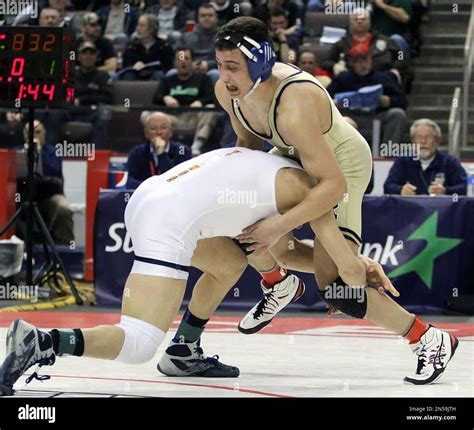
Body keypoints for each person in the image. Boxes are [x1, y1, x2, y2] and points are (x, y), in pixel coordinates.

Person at [159, 16, 456, 384]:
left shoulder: (295, 101)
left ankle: (429, 339)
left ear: (260, 63)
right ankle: (278, 281)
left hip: (342, 169)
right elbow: (248, 148)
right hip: (295, 158)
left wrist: (286, 229)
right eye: (220, 65)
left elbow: (330, 186)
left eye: (233, 66)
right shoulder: (228, 93)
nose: (225, 76)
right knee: (251, 233)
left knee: (338, 286)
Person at [0, 147, 397, 392]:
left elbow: (287, 251)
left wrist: (344, 265)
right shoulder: (306, 189)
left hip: (152, 196)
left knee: (228, 262)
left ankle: (184, 350)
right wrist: (358, 269)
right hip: (170, 218)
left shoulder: (264, 165)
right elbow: (335, 265)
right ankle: (43, 341)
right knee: (138, 342)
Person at [327, 46, 407, 145]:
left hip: (375, 116)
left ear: (371, 61)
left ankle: (387, 154)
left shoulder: (383, 78)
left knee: (397, 114)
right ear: (352, 63)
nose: (362, 64)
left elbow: (402, 100)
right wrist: (334, 102)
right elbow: (325, 98)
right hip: (349, 117)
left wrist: (389, 101)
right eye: (358, 61)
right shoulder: (342, 78)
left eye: (365, 60)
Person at [17, 121, 74, 246]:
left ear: (44, 134)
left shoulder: (54, 152)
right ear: (24, 135)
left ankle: (64, 248)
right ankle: (15, 247)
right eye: (29, 133)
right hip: (22, 196)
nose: (33, 136)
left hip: (49, 195)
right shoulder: (16, 152)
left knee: (63, 208)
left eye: (37, 132)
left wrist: (39, 153)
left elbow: (53, 172)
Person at [152, 46, 218, 155]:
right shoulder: (167, 80)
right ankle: (161, 146)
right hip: (173, 119)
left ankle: (196, 146)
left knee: (210, 109)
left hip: (194, 117)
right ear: (174, 63)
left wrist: (200, 102)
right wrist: (165, 98)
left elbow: (212, 97)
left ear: (192, 62)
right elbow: (155, 99)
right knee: (146, 114)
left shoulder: (202, 78)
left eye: (187, 58)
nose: (183, 62)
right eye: (179, 59)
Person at [384, 118, 467, 196]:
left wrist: (445, 191)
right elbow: (387, 187)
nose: (423, 141)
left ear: (437, 141)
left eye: (428, 137)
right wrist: (400, 190)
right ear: (413, 141)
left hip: (441, 209)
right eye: (419, 137)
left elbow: (465, 187)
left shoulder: (450, 162)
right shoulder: (403, 161)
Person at [126, 112, 191, 189]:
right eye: (153, 128)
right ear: (146, 133)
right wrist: (153, 187)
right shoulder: (136, 153)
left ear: (170, 132)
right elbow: (130, 182)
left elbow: (179, 181)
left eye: (163, 128)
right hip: (147, 197)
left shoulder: (182, 151)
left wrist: (161, 154)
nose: (159, 132)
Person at [121, 14, 174, 80]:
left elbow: (168, 66)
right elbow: (125, 64)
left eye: (142, 25)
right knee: (128, 75)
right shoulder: (131, 46)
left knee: (159, 75)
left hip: (155, 74)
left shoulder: (164, 46)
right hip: (136, 74)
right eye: (138, 25)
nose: (137, 28)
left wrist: (150, 69)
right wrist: (133, 66)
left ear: (151, 29)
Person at [181, 3, 220, 83]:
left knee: (214, 74)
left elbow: (226, 59)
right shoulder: (187, 36)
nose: (206, 18)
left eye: (210, 15)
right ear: (197, 18)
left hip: (213, 69)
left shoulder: (223, 37)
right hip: (190, 68)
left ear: (216, 18)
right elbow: (181, 55)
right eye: (203, 15)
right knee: (172, 73)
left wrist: (209, 64)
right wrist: (189, 64)